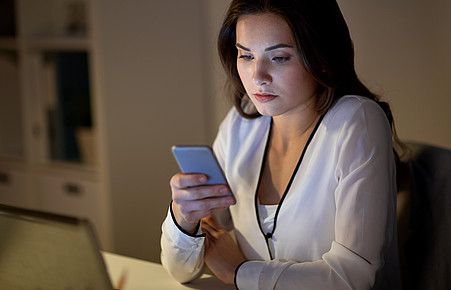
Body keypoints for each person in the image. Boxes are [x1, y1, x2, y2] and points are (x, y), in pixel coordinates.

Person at [161, 0, 401, 288]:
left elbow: (353, 277)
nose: (257, 76)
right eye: (246, 56)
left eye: (279, 58)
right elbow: (181, 272)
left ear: (320, 56)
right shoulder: (240, 126)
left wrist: (239, 272)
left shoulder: (357, 122)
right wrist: (183, 220)